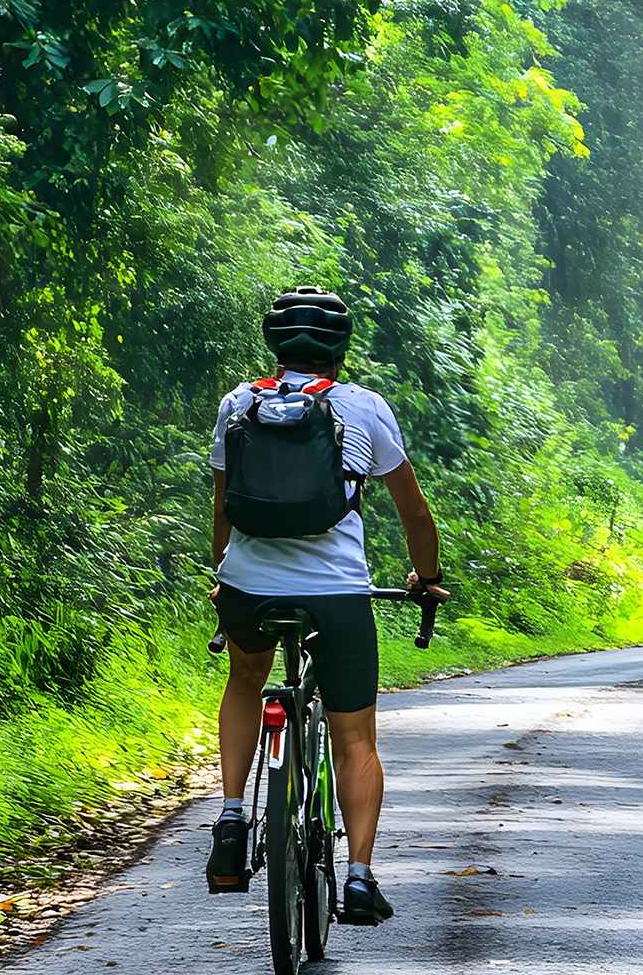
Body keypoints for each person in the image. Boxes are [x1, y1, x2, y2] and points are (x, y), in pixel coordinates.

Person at [204, 287, 449, 925]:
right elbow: (413, 510)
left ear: (275, 345)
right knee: (355, 734)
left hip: (249, 588)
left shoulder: (239, 403)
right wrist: (426, 578)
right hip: (337, 595)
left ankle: (231, 820)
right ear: (339, 349)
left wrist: (222, 575)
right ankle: (360, 879)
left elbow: (223, 507)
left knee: (245, 680)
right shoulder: (364, 408)